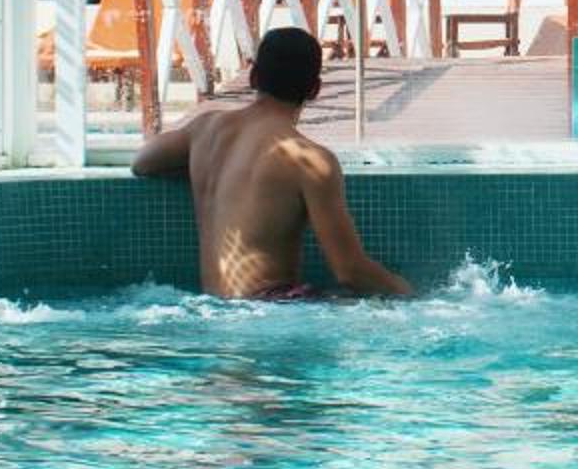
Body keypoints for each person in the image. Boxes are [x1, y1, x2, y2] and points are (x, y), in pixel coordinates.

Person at [132, 26, 411, 302]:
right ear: (315, 90)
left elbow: (142, 163)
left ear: (253, 77)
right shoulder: (309, 160)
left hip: (215, 305)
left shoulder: (206, 129)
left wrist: (202, 166)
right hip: (272, 306)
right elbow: (350, 271)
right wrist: (412, 294)